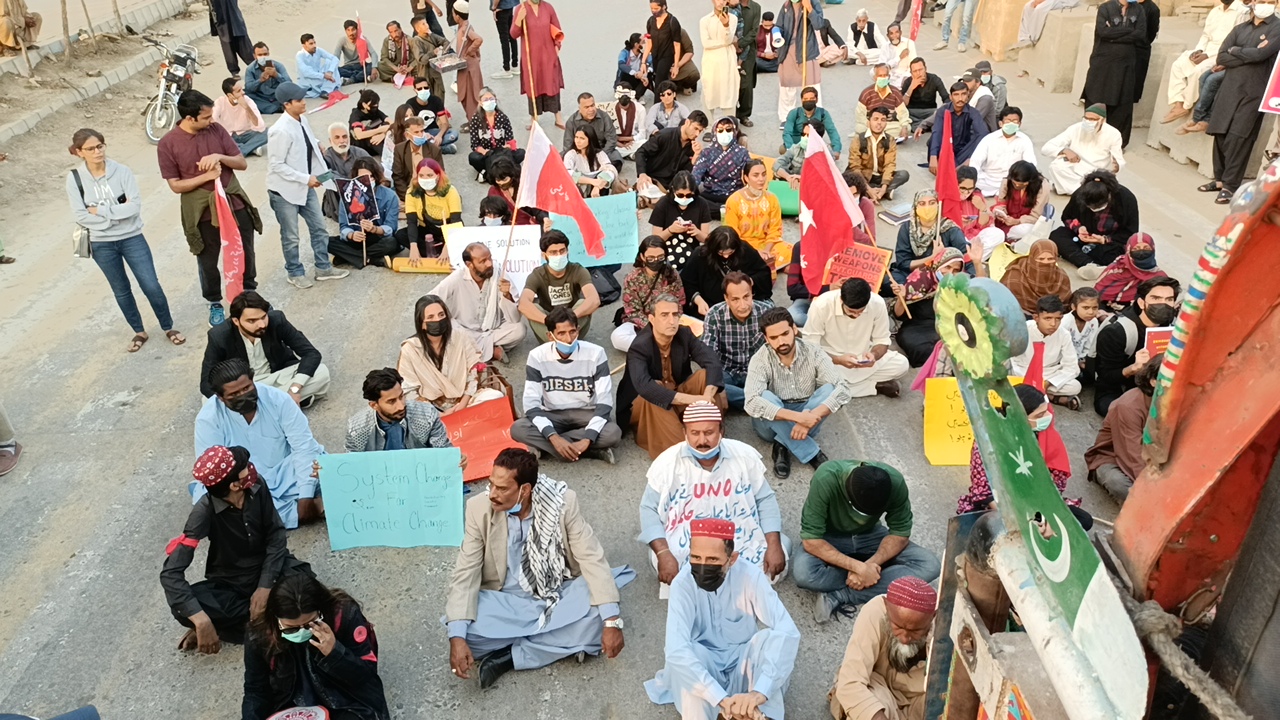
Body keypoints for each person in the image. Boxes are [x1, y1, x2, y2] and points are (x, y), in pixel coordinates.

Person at [445, 448, 631, 688]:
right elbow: (465, 572)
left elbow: (591, 557)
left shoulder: (563, 503)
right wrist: (457, 637)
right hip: (506, 601)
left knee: (601, 616)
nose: (492, 493)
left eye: (502, 489)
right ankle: (561, 641)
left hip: (556, 592)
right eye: (491, 484)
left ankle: (511, 657)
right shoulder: (478, 508)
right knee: (464, 633)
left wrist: (612, 623)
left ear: (525, 490)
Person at [644, 518, 800, 720]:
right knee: (689, 653)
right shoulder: (683, 584)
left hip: (741, 663)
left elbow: (787, 630)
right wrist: (720, 699)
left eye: (712, 560)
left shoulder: (750, 575)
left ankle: (753, 708)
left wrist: (758, 692)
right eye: (696, 558)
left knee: (769, 639)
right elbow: (676, 649)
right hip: (704, 667)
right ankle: (726, 711)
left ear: (732, 559)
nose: (702, 566)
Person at [162, 445, 312, 654]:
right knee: (185, 609)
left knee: (305, 582)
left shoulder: (257, 484)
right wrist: (201, 619)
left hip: (271, 569)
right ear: (234, 485)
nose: (251, 468)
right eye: (245, 467)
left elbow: (276, 536)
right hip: (230, 583)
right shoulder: (203, 512)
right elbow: (170, 575)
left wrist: (265, 587)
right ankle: (264, 622)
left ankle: (244, 626)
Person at [641, 403, 789, 586]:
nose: (702, 440)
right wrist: (663, 553)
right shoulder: (667, 463)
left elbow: (765, 499)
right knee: (664, 563)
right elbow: (648, 509)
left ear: (722, 432)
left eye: (709, 432)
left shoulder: (744, 456)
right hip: (686, 541)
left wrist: (774, 544)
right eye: (694, 433)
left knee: (779, 551)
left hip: (739, 537)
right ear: (684, 433)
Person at [67, 128, 182, 353]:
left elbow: (133, 208)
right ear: (79, 152)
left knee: (151, 284)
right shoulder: (75, 179)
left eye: (100, 146)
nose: (97, 152)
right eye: (90, 149)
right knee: (121, 289)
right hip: (101, 244)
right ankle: (139, 330)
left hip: (132, 238)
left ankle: (168, 326)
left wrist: (99, 211)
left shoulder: (122, 172)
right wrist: (114, 216)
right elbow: (80, 215)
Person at [157, 90, 260, 328]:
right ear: (189, 118)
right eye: (205, 117)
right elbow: (176, 185)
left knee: (245, 250)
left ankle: (248, 294)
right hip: (202, 214)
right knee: (208, 260)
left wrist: (219, 157)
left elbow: (241, 163)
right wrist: (206, 177)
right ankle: (214, 301)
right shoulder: (168, 144)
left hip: (234, 204)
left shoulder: (217, 130)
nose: (211, 120)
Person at [795, 460, 942, 622]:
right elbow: (811, 540)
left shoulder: (895, 482)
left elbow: (900, 533)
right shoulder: (826, 477)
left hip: (871, 535)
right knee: (804, 574)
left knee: (930, 566)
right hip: (830, 537)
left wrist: (870, 566)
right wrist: (858, 567)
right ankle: (876, 576)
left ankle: (842, 594)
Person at [196, 359, 326, 529]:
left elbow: (303, 446)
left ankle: (296, 510)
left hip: (288, 470)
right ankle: (317, 508)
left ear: (253, 381)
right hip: (245, 481)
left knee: (326, 471)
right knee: (223, 506)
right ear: (220, 398)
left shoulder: (279, 399)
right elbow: (215, 468)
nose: (243, 395)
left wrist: (306, 495)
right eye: (234, 395)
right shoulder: (208, 419)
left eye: (247, 388)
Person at [242, 574, 390, 719]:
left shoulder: (344, 615)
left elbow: (367, 675)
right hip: (289, 703)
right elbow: (255, 688)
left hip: (344, 698)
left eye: (310, 624)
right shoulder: (259, 635)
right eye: (291, 628)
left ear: (322, 610)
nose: (301, 631)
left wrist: (335, 654)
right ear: (275, 619)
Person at [746, 306, 852, 477]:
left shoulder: (813, 351)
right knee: (763, 397)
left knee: (830, 389)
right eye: (774, 337)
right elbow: (751, 402)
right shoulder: (760, 359)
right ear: (766, 339)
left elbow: (843, 389)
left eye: (785, 334)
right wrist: (797, 418)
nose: (781, 342)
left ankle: (781, 446)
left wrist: (808, 418)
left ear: (794, 329)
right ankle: (812, 454)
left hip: (808, 414)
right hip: (770, 425)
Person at [617, 295, 726, 458]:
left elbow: (712, 361)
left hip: (678, 394)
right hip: (645, 406)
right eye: (664, 315)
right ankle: (683, 448)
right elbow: (645, 388)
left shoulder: (684, 334)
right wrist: (696, 400)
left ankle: (711, 432)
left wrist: (708, 395)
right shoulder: (639, 346)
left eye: (675, 315)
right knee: (655, 388)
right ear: (652, 319)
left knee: (705, 376)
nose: (672, 321)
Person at [510, 308, 622, 463]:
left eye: (572, 332)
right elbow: (531, 404)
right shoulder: (537, 356)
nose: (569, 339)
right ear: (550, 336)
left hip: (585, 413)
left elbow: (604, 402)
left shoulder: (596, 353)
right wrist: (554, 437)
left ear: (578, 330)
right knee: (518, 429)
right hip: (551, 414)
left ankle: (553, 448)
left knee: (613, 433)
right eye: (561, 333)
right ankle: (590, 452)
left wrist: (587, 438)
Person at [266, 83, 350, 289]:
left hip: (306, 186)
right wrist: (305, 178)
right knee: (291, 236)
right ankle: (294, 272)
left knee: (319, 228)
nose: (304, 102)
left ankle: (323, 268)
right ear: (287, 105)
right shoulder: (279, 130)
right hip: (284, 191)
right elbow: (276, 165)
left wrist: (317, 142)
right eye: (298, 100)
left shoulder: (301, 119)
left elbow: (306, 137)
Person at [957, 383, 1082, 515]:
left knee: (1083, 520)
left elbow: (1055, 482)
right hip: (1000, 504)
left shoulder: (1041, 435)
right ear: (1018, 417)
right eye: (1039, 416)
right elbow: (983, 493)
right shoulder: (988, 441)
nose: (1047, 418)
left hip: (1034, 500)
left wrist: (1040, 509)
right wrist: (1020, 517)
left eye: (1046, 411)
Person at [1202, 1, 1280, 204]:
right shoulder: (1240, 28)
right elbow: (1221, 57)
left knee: (1239, 137)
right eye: (1261, 0)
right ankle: (1219, 180)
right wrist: (1249, 54)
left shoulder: (1277, 28)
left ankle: (1230, 186)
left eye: (1269, 1)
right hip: (1230, 88)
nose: (1264, 4)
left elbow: (1262, 54)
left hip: (1254, 91)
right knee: (1220, 132)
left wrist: (1236, 51)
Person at [830, 578, 936, 720]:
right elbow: (850, 681)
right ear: (887, 607)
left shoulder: (941, 631)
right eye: (898, 627)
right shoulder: (875, 612)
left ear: (932, 618)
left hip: (916, 702)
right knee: (869, 702)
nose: (905, 638)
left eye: (915, 631)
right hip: (877, 690)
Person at [200, 291, 328, 404]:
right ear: (236, 321)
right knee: (208, 401)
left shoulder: (277, 320)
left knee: (321, 372)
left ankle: (257, 409)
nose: (261, 324)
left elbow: (311, 354)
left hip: (277, 377)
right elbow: (206, 383)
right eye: (252, 321)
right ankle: (281, 404)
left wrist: (295, 389)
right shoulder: (220, 335)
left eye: (263, 317)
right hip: (243, 387)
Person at [397, 294, 505, 412]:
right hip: (430, 409)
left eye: (441, 315)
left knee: (495, 397)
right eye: (430, 317)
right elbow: (409, 390)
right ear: (422, 323)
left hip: (464, 400)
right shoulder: (411, 349)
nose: (437, 320)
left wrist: (462, 405)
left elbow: (472, 373)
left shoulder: (460, 337)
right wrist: (438, 415)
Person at [804, 278, 910, 399]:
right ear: (841, 299)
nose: (856, 315)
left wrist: (874, 355)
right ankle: (874, 387)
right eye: (851, 311)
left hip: (862, 357)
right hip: (830, 359)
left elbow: (882, 340)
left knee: (901, 365)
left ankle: (839, 389)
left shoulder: (877, 303)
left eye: (860, 311)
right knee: (807, 375)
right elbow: (811, 346)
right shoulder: (822, 305)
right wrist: (838, 360)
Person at [1093, 277, 1179, 415]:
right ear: (1141, 302)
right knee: (1122, 412)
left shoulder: (1170, 325)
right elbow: (1106, 376)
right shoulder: (1117, 332)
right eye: (1156, 299)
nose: (1163, 304)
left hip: (1154, 385)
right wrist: (1133, 369)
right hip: (1118, 388)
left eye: (1169, 299)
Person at [1086, 352, 1162, 501]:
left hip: (1152, 456)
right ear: (1153, 381)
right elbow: (1132, 454)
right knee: (1120, 484)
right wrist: (1154, 488)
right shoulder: (1128, 407)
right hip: (1114, 457)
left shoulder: (1171, 401)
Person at [434, 242, 526, 362]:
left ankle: (473, 352)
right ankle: (492, 351)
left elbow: (514, 318)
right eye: (483, 261)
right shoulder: (457, 278)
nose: (489, 264)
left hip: (493, 329)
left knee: (519, 329)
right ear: (470, 265)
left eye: (490, 258)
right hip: (464, 331)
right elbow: (430, 299)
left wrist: (507, 295)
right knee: (450, 330)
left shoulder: (500, 274)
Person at [1160, 0, 1243, 125]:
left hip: (1222, 54)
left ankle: (1185, 106)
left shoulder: (1241, 12)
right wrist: (1199, 50)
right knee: (1179, 65)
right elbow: (1205, 36)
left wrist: (1207, 55)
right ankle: (1178, 103)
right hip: (1206, 50)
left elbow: (1235, 42)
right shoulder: (1215, 11)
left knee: (1198, 71)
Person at [1081, 0, 1147, 147]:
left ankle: (1117, 143)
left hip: (1126, 64)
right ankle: (1090, 139)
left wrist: (1114, 34)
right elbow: (1103, 32)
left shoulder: (1139, 10)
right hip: (1103, 63)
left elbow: (1141, 34)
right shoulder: (1105, 8)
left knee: (1122, 102)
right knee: (1096, 97)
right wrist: (1129, 30)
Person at [1048, 170, 1139, 275]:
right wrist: (1079, 228)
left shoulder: (1126, 199)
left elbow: (1130, 233)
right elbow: (1068, 217)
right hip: (1083, 238)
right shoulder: (1080, 193)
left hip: (1109, 243)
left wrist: (1104, 240)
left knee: (1119, 254)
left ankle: (1084, 259)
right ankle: (1089, 264)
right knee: (1057, 236)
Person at [701, 272, 770, 409]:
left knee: (781, 384)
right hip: (726, 371)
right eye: (735, 299)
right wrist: (717, 385)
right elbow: (707, 354)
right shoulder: (714, 314)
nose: (743, 305)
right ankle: (761, 402)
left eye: (746, 297)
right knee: (704, 382)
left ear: (752, 294)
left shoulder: (766, 312)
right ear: (726, 299)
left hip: (758, 372)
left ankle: (742, 399)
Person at [345, 367, 455, 453]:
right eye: (391, 401)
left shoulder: (427, 415)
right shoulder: (357, 429)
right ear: (374, 405)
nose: (401, 406)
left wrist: (455, 459)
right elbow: (353, 466)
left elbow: (443, 451)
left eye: (401, 396)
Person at [519, 230, 601, 341]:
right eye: (553, 252)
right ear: (544, 255)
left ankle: (564, 344)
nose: (559, 255)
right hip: (548, 327)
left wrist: (569, 319)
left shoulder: (578, 270)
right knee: (533, 307)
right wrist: (549, 321)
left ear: (567, 251)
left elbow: (594, 300)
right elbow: (523, 304)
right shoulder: (537, 275)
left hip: (572, 323)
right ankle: (559, 343)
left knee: (583, 303)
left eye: (562, 251)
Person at [891, 248, 968, 366]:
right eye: (947, 267)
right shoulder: (920, 280)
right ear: (937, 264)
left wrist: (977, 263)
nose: (950, 273)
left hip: (946, 327)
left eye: (956, 270)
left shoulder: (960, 285)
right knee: (921, 348)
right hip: (918, 327)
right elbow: (898, 314)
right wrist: (902, 298)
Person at [681, 226, 773, 317]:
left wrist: (748, 281)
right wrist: (699, 301)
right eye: (721, 253)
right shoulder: (700, 255)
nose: (726, 256)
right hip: (710, 304)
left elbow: (763, 273)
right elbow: (687, 282)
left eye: (730, 253)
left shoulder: (744, 249)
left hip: (743, 302)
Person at [614, 236, 687, 352]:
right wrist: (654, 327)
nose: (656, 261)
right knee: (617, 337)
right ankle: (657, 348)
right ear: (642, 256)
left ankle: (648, 348)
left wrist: (669, 322)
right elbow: (633, 311)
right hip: (641, 324)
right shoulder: (632, 278)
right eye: (651, 258)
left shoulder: (672, 275)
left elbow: (680, 302)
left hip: (668, 320)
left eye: (660, 257)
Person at [1011, 296, 1083, 406]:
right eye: (1048, 318)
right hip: (1022, 372)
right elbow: (1010, 357)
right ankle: (1052, 397)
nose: (1053, 324)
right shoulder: (1023, 329)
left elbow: (1072, 367)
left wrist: (1048, 383)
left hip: (1048, 374)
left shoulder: (1063, 335)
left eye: (1058, 319)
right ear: (1036, 317)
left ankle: (1034, 392)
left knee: (1075, 386)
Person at [332, 157, 401, 269]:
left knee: (392, 243)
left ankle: (348, 256)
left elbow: (391, 227)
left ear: (376, 177)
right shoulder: (347, 197)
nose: (367, 181)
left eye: (370, 177)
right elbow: (343, 226)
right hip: (357, 237)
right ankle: (371, 259)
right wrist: (352, 235)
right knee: (326, 241)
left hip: (378, 238)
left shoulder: (389, 196)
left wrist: (374, 229)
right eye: (361, 178)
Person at [1041, 104, 1126, 195]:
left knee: (1103, 182)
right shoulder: (1076, 128)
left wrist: (1117, 166)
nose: (1088, 122)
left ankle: (1076, 190)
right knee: (1056, 166)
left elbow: (1119, 160)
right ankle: (1085, 192)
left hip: (1096, 173)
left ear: (1102, 120)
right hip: (1076, 167)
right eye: (1086, 118)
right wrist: (1065, 150)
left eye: (1093, 119)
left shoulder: (1113, 134)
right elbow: (1046, 148)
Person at [892, 190, 970, 283]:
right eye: (922, 203)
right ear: (915, 207)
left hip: (942, 277)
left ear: (938, 205)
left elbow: (966, 257)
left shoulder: (950, 228)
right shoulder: (907, 228)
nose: (927, 207)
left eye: (932, 203)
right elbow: (903, 263)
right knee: (889, 281)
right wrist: (932, 257)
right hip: (911, 274)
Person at [510, 0, 567, 127]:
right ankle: (534, 119)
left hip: (548, 55)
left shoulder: (548, 8)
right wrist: (519, 19)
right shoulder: (520, 9)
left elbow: (557, 29)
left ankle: (558, 117)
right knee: (533, 85)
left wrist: (557, 47)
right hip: (531, 58)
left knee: (552, 84)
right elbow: (514, 34)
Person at [723, 159, 784, 271]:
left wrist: (766, 250)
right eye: (756, 175)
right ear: (746, 178)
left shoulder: (772, 199)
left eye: (764, 174)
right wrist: (755, 252)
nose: (761, 179)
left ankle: (768, 264)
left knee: (789, 250)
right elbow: (733, 235)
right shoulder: (734, 201)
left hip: (768, 245)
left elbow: (775, 229)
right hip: (743, 247)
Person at [649, 172, 714, 274]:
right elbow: (655, 240)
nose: (684, 198)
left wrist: (696, 232)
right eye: (680, 195)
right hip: (667, 248)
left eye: (688, 195)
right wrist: (670, 230)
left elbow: (706, 239)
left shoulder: (701, 204)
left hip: (692, 248)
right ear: (673, 190)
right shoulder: (663, 204)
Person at [636, 111, 709, 200]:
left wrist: (694, 159)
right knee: (648, 191)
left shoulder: (693, 147)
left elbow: (685, 175)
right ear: (687, 122)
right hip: (653, 180)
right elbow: (641, 152)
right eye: (695, 128)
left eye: (700, 131)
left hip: (673, 186)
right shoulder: (664, 135)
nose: (697, 134)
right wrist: (642, 174)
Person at [400, 158, 462, 260]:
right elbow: (412, 222)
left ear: (437, 175)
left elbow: (456, 222)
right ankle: (431, 252)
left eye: (429, 175)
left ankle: (441, 251)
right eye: (421, 176)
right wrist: (413, 247)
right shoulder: (411, 192)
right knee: (401, 235)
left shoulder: (451, 191)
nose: (425, 179)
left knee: (460, 237)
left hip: (448, 229)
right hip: (427, 230)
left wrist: (447, 248)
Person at [776, 0, 825, 122]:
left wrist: (809, 8)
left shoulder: (813, 3)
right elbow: (779, 26)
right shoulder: (787, 5)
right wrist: (776, 33)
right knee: (787, 87)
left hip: (806, 51)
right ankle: (786, 118)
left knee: (812, 85)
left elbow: (819, 24)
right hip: (788, 50)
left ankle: (815, 118)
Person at [968, 107, 1034, 197]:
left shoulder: (1025, 140)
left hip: (1013, 182)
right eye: (1007, 121)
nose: (1011, 124)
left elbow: (1030, 163)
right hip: (988, 182)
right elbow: (975, 161)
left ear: (1020, 124)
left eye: (1015, 122)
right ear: (1000, 123)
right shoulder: (989, 139)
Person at [847, 107, 909, 202]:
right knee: (845, 179)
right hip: (863, 176)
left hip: (879, 177)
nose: (879, 123)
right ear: (869, 122)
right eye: (875, 119)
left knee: (903, 174)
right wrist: (868, 188)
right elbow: (855, 167)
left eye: (883, 120)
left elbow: (889, 165)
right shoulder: (858, 139)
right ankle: (875, 192)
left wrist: (884, 187)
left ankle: (880, 192)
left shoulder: (890, 140)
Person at [1094, 232, 1168, 310]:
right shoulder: (1117, 269)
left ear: (1153, 249)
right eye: (1136, 249)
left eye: (1146, 248)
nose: (1141, 252)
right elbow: (1098, 295)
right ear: (1129, 251)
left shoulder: (1160, 277)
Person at [921, 83, 985, 171]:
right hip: (945, 148)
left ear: (968, 96)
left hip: (962, 151)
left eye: (963, 94)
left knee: (981, 137)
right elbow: (937, 133)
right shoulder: (943, 111)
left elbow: (982, 134)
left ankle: (958, 166)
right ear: (950, 97)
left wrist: (970, 158)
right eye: (956, 95)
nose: (960, 98)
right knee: (935, 136)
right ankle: (954, 167)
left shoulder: (973, 112)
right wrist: (933, 156)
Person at [1000, 239, 1072, 316]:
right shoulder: (1014, 278)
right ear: (1031, 258)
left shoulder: (1061, 277)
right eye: (1041, 259)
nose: (1045, 262)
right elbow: (1003, 305)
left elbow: (1066, 306)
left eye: (1050, 259)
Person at [469, 87, 525, 179]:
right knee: (473, 157)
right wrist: (485, 152)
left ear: (495, 100)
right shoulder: (476, 118)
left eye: (491, 99)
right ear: (480, 102)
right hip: (486, 153)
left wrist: (507, 147)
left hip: (501, 151)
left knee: (520, 153)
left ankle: (488, 172)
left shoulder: (503, 117)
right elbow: (474, 144)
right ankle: (500, 170)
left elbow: (510, 139)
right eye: (486, 100)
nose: (489, 101)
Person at [692, 117, 751, 204]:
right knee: (695, 201)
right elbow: (696, 175)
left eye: (728, 129)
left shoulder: (742, 152)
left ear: (734, 131)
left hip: (735, 196)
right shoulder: (707, 152)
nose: (724, 133)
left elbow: (750, 174)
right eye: (720, 130)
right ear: (715, 132)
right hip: (710, 195)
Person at [954, 167, 1006, 261]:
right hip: (956, 238)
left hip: (972, 236)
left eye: (970, 189)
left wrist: (982, 208)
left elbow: (983, 224)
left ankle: (973, 261)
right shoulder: (949, 199)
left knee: (998, 234)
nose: (966, 192)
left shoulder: (976, 196)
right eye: (963, 188)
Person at [701, 0, 742, 119]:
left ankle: (730, 124)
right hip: (710, 61)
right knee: (708, 92)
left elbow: (728, 39)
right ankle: (708, 126)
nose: (721, 2)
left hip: (727, 59)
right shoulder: (705, 20)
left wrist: (726, 26)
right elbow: (706, 43)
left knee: (728, 92)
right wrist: (724, 43)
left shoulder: (732, 18)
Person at [993, 160, 1050, 242]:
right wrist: (1002, 214)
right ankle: (1003, 236)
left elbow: (1036, 216)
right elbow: (1001, 202)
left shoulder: (1042, 186)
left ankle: (1003, 236)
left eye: (1021, 185)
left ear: (1030, 181)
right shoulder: (1007, 181)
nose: (1016, 186)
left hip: (1025, 222)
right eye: (1014, 183)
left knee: (1025, 230)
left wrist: (1017, 221)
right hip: (1007, 219)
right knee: (987, 218)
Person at [392, 116, 446, 201]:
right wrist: (407, 198)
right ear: (407, 135)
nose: (420, 135)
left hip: (429, 188)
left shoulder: (434, 150)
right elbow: (398, 177)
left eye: (422, 131)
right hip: (409, 190)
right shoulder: (399, 149)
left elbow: (440, 174)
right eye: (416, 132)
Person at [401, 75, 458, 154]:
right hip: (419, 133)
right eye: (419, 89)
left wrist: (439, 136)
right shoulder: (410, 103)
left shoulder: (436, 100)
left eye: (426, 88)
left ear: (429, 87)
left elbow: (445, 123)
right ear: (415, 90)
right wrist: (423, 135)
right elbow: (409, 126)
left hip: (433, 132)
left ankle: (428, 147)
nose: (423, 90)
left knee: (454, 134)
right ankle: (439, 148)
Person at [213, 78, 268, 157]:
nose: (243, 92)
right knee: (216, 140)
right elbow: (213, 120)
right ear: (230, 95)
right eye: (239, 91)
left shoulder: (248, 101)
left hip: (247, 134)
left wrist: (246, 107)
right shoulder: (220, 102)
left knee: (268, 133)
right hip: (229, 136)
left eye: (242, 89)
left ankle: (239, 151)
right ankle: (251, 148)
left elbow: (260, 126)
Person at [564, 125, 622, 198]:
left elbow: (610, 171)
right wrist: (592, 181)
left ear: (590, 139)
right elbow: (567, 173)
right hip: (578, 190)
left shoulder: (599, 154)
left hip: (597, 188)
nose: (578, 141)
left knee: (606, 174)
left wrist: (597, 186)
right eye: (576, 137)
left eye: (582, 138)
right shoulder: (571, 154)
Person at [854, 66, 910, 140]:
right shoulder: (866, 93)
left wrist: (904, 126)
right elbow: (859, 115)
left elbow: (903, 112)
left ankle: (875, 137)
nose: (883, 78)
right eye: (880, 76)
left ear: (889, 76)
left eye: (885, 75)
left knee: (907, 127)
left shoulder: (895, 92)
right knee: (859, 128)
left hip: (888, 124)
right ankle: (884, 137)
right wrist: (870, 124)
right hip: (871, 124)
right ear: (875, 77)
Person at [783, 85, 842, 153]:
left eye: (811, 99)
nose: (808, 101)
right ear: (801, 100)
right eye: (806, 99)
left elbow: (832, 131)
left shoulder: (823, 114)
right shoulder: (794, 113)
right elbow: (787, 133)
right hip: (796, 145)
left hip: (815, 146)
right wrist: (790, 149)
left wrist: (837, 149)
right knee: (783, 150)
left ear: (816, 99)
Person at [452, 2, 485, 121]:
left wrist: (469, 52)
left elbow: (478, 39)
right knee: (467, 96)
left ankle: (474, 122)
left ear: (457, 16)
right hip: (466, 67)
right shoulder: (465, 26)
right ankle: (472, 120)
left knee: (471, 97)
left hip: (469, 68)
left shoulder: (465, 28)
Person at [773, 119, 827, 185]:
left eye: (808, 135)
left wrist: (801, 178)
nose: (804, 137)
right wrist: (788, 177)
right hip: (794, 185)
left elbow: (822, 178)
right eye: (803, 134)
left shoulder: (826, 155)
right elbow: (778, 163)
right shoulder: (796, 147)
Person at [408, 14, 449, 100]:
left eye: (426, 23)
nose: (427, 25)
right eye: (423, 24)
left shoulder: (431, 36)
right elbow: (422, 59)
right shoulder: (416, 41)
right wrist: (433, 52)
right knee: (427, 96)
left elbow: (446, 42)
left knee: (440, 94)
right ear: (417, 29)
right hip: (425, 73)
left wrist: (442, 51)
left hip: (435, 71)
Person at [900, 57, 948, 129]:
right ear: (911, 73)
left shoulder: (934, 79)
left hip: (930, 111)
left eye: (920, 70)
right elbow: (902, 105)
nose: (918, 73)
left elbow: (946, 98)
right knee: (898, 114)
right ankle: (926, 124)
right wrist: (911, 88)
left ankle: (918, 125)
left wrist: (942, 109)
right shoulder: (908, 82)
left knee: (941, 112)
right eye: (915, 71)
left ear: (925, 69)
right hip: (912, 112)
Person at [736, 0, 763, 126]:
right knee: (731, 82)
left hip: (748, 49)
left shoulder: (756, 7)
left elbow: (754, 30)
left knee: (746, 83)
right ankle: (730, 113)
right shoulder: (731, 4)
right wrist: (735, 44)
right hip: (731, 47)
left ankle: (744, 114)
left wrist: (741, 44)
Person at [1067, 287, 1102, 383]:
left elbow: (1090, 346)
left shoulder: (1093, 322)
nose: (1091, 312)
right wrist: (1076, 362)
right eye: (1085, 308)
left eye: (1094, 308)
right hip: (1066, 360)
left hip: (1082, 359)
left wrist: (1086, 361)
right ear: (1074, 307)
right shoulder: (1065, 323)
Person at [245, 43, 291, 115]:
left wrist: (276, 75)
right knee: (245, 95)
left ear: (269, 53)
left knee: (292, 93)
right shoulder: (250, 69)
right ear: (254, 56)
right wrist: (260, 80)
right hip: (261, 97)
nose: (263, 57)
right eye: (260, 55)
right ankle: (276, 108)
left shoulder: (278, 66)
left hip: (277, 95)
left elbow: (289, 84)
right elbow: (248, 88)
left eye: (265, 54)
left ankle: (267, 108)